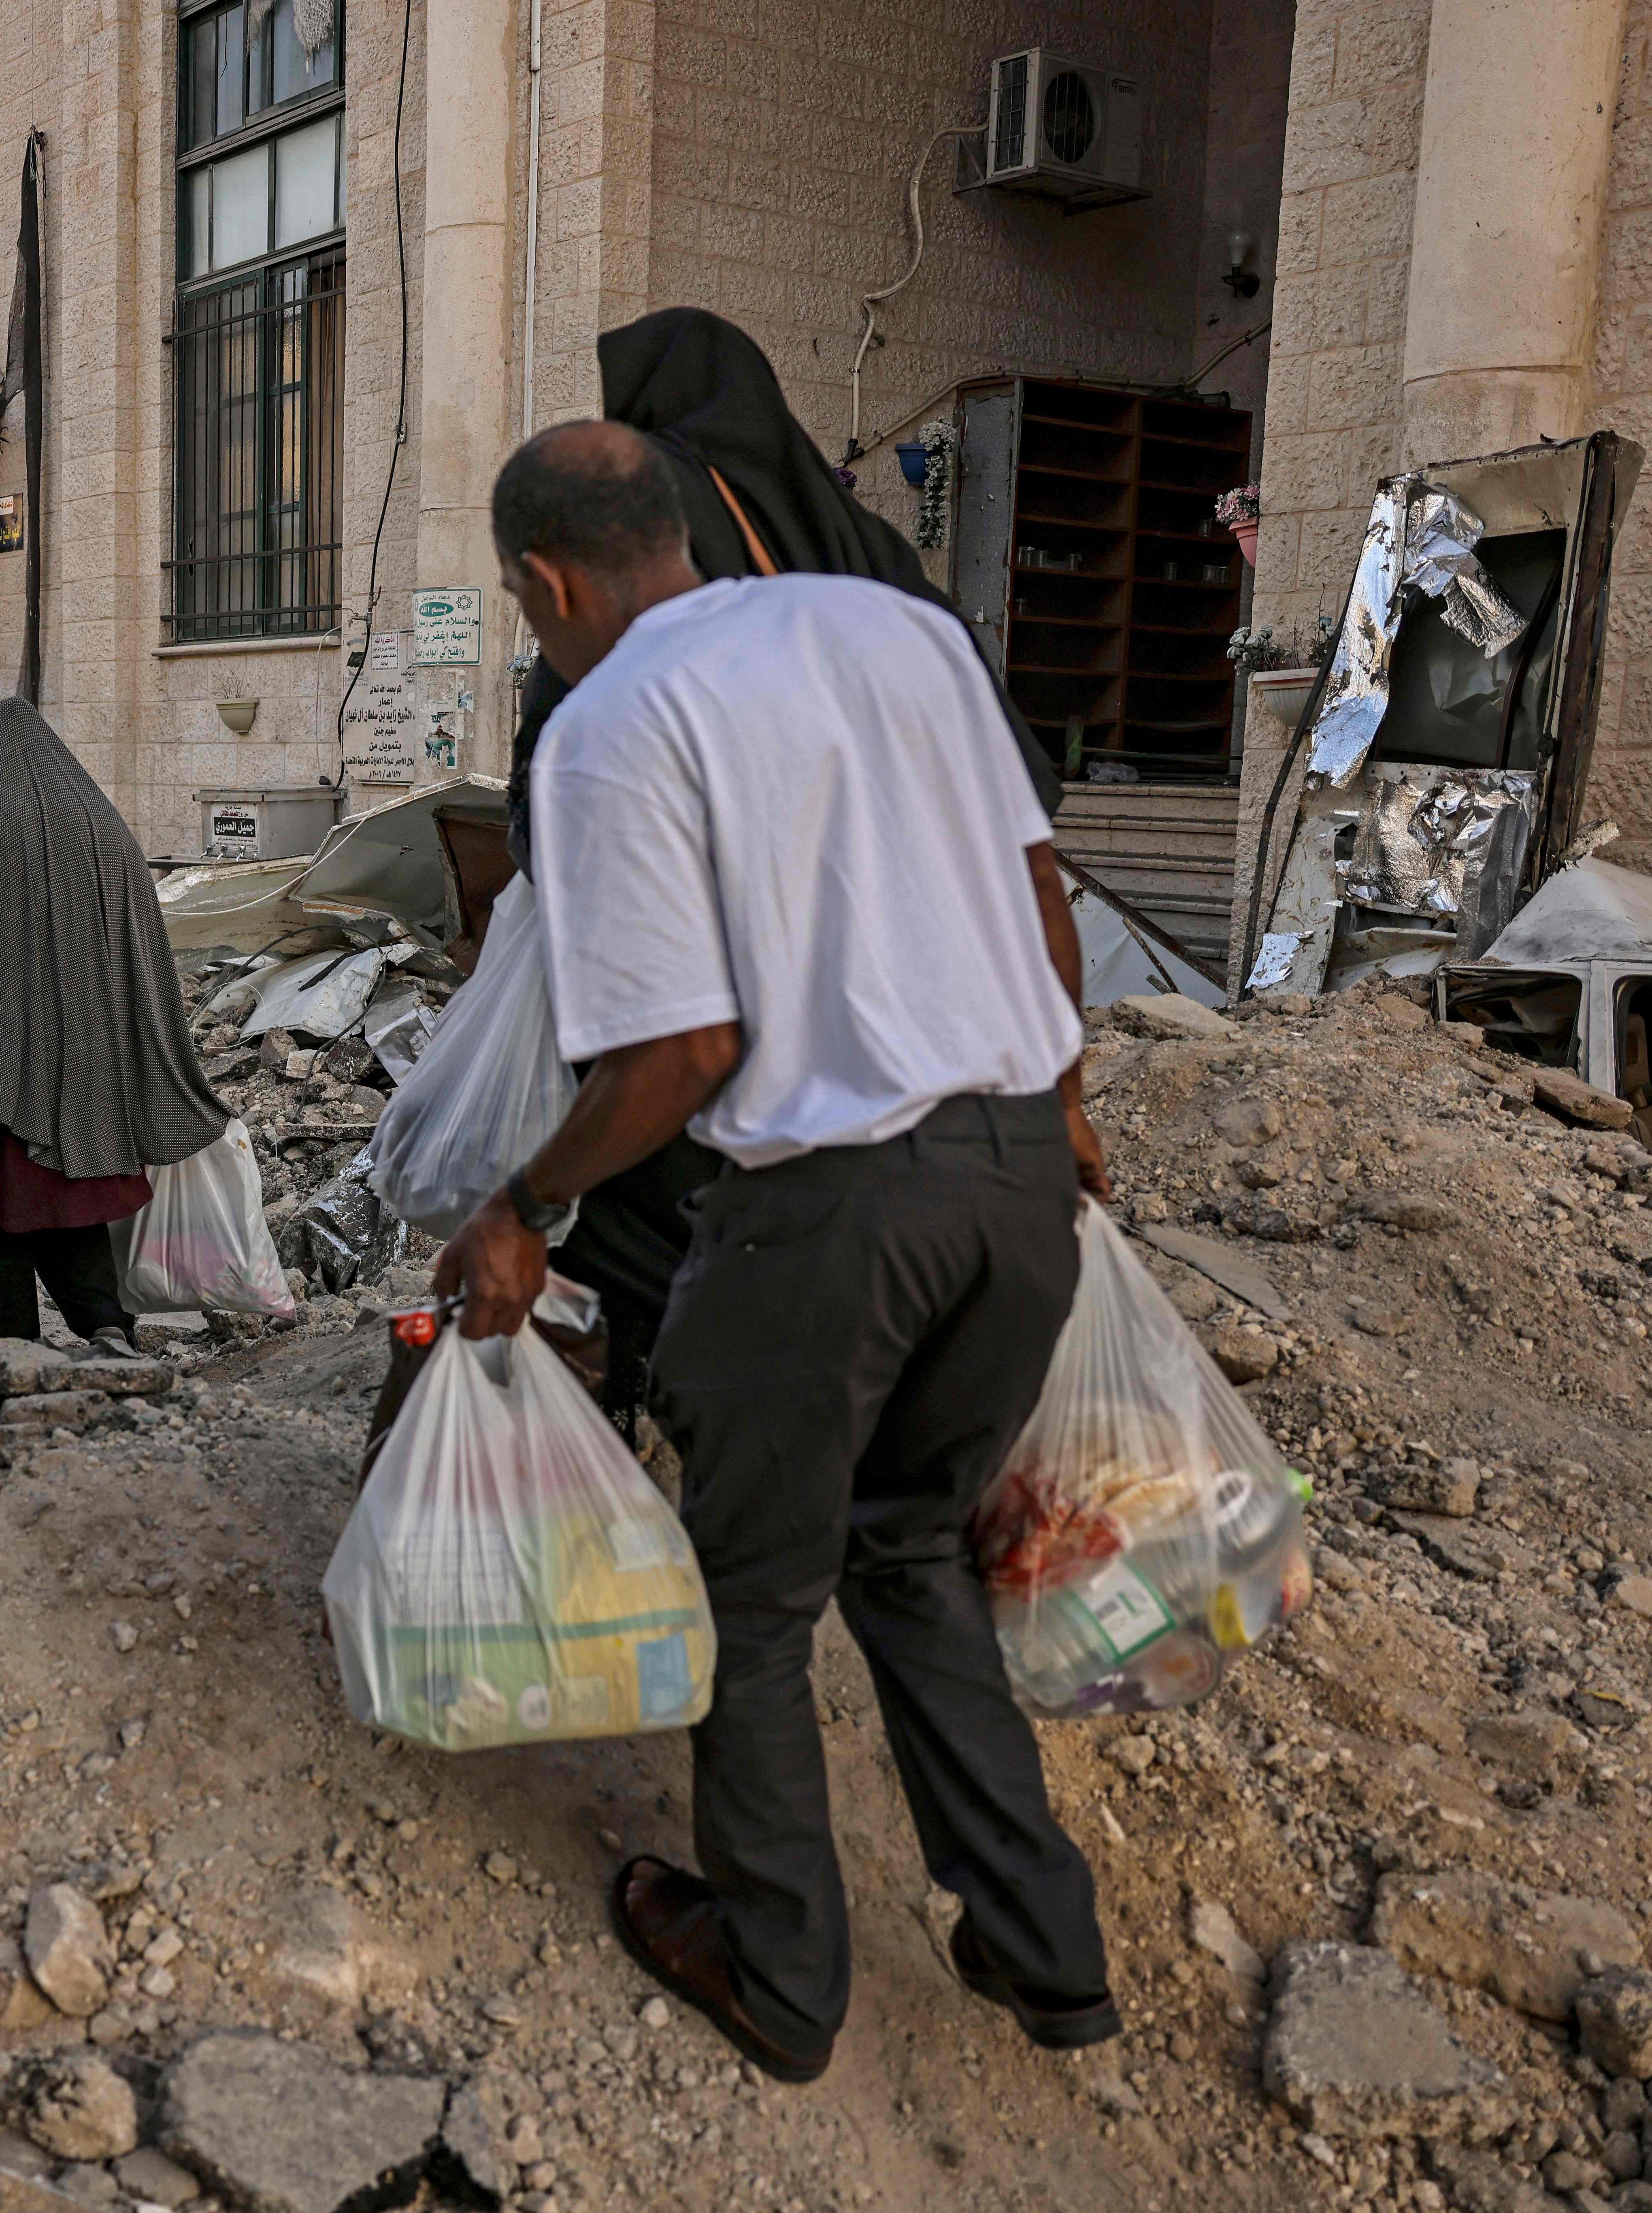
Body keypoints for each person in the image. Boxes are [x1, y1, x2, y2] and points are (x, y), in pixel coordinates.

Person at [436, 420, 1117, 2083]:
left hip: (831, 1216)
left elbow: (681, 1058)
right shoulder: (901, 628)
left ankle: (778, 1970)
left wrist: (522, 1203)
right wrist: (1069, 1104)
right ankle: (1046, 1952)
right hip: (1020, 1178)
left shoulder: (608, 726)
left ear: (546, 581)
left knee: (747, 1595)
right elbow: (1043, 897)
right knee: (908, 1550)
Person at [508, 309, 1064, 1433]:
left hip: (744, 1025)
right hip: (949, 1045)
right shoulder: (865, 561)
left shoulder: (649, 567)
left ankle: (664, 1432)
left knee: (661, 1198)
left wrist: (518, 1204)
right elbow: (1022, 824)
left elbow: (670, 1023)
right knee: (900, 1533)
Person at [0, 697, 228, 1347]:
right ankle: (106, 1329)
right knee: (72, 1206)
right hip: (89, 1068)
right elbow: (142, 945)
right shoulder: (103, 825)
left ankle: (11, 1354)